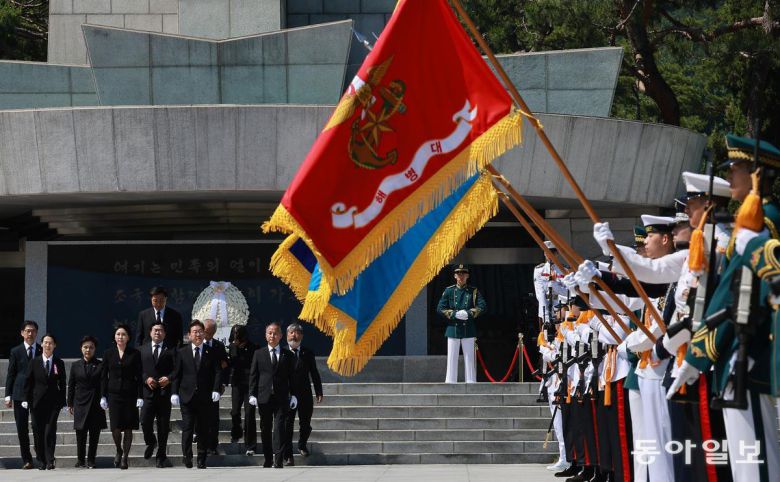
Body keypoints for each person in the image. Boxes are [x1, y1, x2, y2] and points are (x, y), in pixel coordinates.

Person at [170, 320, 223, 469]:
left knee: (203, 429)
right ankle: (187, 456)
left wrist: (216, 389)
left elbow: (218, 372)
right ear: (189, 335)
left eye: (200, 331)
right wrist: (174, 392)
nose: (198, 334)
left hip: (205, 397)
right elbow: (177, 374)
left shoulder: (211, 351)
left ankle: (201, 458)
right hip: (187, 396)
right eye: (195, 332)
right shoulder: (182, 352)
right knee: (187, 427)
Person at [248, 322, 297, 468]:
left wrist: (294, 395)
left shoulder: (287, 355)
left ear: (281, 336)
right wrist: (252, 394)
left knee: (279, 427)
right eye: (269, 333)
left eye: (275, 333)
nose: (272, 335)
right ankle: (268, 458)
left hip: (281, 398)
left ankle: (278, 458)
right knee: (265, 427)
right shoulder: (259, 353)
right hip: (264, 397)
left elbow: (292, 377)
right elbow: (254, 375)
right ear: (265, 335)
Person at [101, 323, 143, 469]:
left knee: (129, 427)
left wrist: (140, 396)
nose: (121, 337)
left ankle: (125, 457)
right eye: (118, 334)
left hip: (130, 394)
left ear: (128, 337)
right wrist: (103, 395)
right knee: (116, 427)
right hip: (113, 394)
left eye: (123, 334)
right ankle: (118, 449)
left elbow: (139, 376)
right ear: (114, 337)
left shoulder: (135, 354)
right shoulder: (108, 353)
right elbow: (103, 376)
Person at [22, 333, 66, 470]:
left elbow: (63, 383)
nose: (48, 345)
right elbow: (28, 382)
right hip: (37, 403)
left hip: (53, 403)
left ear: (55, 345)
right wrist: (25, 399)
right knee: (37, 431)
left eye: (50, 343)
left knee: (50, 431)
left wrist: (63, 401)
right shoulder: (34, 362)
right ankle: (40, 459)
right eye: (45, 342)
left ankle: (50, 460)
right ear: (41, 345)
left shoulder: (59, 362)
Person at [436, 264, 486, 383]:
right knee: (452, 359)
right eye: (459, 274)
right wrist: (454, 314)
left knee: (469, 359)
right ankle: (450, 383)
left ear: (467, 276)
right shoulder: (449, 290)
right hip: (453, 328)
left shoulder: (473, 291)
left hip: (468, 329)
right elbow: (440, 308)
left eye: (463, 274)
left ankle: (471, 383)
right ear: (455, 276)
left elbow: (482, 306)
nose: (461, 276)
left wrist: (469, 313)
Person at [283, 323, 323, 465]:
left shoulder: (308, 352)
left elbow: (314, 373)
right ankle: (288, 455)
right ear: (287, 335)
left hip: (304, 393)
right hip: (287, 394)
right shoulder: (281, 352)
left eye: (297, 333)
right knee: (287, 425)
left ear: (302, 336)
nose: (294, 335)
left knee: (305, 424)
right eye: (292, 332)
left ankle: (302, 444)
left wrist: (318, 390)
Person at [4, 320, 42, 469]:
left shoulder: (41, 350)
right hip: (20, 394)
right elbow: (10, 374)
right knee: (21, 428)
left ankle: (40, 454)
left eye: (33, 331)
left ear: (36, 333)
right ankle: (27, 459)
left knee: (38, 426)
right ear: (22, 333)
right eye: (27, 331)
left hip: (37, 394)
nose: (30, 333)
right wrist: (8, 395)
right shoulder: (16, 351)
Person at [138, 321, 176, 467]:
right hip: (148, 393)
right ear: (150, 332)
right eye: (155, 330)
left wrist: (169, 378)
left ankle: (161, 455)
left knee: (163, 426)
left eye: (160, 330)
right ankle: (151, 441)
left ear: (164, 334)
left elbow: (176, 369)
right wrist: (145, 379)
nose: (157, 333)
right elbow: (138, 369)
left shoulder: (171, 350)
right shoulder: (141, 350)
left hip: (164, 393)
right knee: (144, 421)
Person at [67, 335, 106, 468]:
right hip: (80, 402)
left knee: (94, 434)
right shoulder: (75, 365)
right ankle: (80, 459)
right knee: (80, 433)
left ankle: (91, 460)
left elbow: (103, 384)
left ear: (95, 349)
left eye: (91, 347)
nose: (88, 350)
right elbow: (71, 385)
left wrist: (104, 399)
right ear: (81, 348)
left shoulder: (100, 365)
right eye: (85, 347)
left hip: (96, 403)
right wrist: (70, 403)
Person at [227, 324, 257, 455]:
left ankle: (250, 444)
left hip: (250, 384)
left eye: (238, 339)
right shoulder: (232, 348)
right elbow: (231, 364)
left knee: (250, 414)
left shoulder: (254, 348)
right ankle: (236, 432)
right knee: (234, 411)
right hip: (237, 383)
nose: (236, 342)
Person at [202, 318, 228, 456]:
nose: (208, 334)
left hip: (214, 387)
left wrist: (222, 384)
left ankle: (213, 445)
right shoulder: (196, 344)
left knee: (213, 418)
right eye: (206, 331)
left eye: (211, 332)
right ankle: (201, 442)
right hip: (199, 386)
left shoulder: (218, 346)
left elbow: (223, 366)